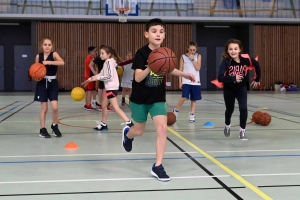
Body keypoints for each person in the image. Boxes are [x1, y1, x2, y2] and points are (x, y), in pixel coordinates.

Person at [121, 18, 195, 182]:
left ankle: (158, 166)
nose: (158, 34)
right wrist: (151, 65)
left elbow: (170, 68)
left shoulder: (166, 52)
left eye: (161, 31)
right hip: (139, 99)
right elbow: (138, 78)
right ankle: (128, 134)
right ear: (147, 34)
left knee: (162, 129)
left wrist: (184, 74)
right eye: (154, 31)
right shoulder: (141, 53)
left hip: (157, 99)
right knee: (138, 131)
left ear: (164, 35)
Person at [218, 39, 261, 141]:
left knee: (243, 108)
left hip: (241, 87)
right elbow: (220, 77)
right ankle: (227, 125)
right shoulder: (226, 62)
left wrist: (257, 78)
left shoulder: (245, 59)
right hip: (229, 89)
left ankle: (242, 131)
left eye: (235, 49)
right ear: (227, 51)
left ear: (240, 50)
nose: (233, 51)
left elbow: (257, 65)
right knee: (230, 109)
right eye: (231, 49)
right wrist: (233, 78)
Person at [82, 45, 133, 131]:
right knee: (104, 105)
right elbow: (101, 74)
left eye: (102, 53)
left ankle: (129, 123)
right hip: (110, 88)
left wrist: (97, 78)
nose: (100, 55)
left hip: (112, 88)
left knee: (116, 107)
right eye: (100, 53)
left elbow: (108, 76)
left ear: (108, 54)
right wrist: (90, 79)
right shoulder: (107, 63)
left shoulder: (109, 63)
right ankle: (103, 124)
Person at [34, 37, 65, 138]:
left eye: (49, 45)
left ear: (52, 46)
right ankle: (43, 129)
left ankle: (54, 126)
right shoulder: (39, 56)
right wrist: (36, 77)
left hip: (53, 83)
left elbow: (62, 62)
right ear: (42, 46)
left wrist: (49, 62)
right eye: (45, 44)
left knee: (55, 107)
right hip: (42, 83)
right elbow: (35, 70)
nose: (47, 46)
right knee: (44, 108)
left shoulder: (54, 54)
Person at [172, 41, 202, 122]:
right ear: (187, 49)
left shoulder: (198, 56)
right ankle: (176, 110)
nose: (192, 51)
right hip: (186, 81)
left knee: (194, 99)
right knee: (184, 97)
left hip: (196, 81)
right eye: (190, 50)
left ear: (196, 49)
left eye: (194, 50)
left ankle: (192, 115)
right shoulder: (183, 57)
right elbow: (180, 70)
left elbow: (198, 68)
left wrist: (192, 60)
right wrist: (180, 82)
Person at [84, 46, 98, 111]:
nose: (96, 52)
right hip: (90, 75)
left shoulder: (90, 57)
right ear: (90, 52)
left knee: (90, 90)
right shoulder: (90, 58)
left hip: (89, 75)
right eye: (94, 51)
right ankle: (88, 105)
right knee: (89, 91)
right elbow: (90, 67)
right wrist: (95, 73)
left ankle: (87, 104)